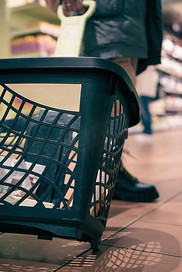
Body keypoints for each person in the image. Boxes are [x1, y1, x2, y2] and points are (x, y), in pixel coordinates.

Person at [47, 0, 161, 202]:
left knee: (110, 109)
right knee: (107, 106)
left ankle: (107, 174)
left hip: (124, 22)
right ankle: (93, 183)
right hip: (107, 23)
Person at [135, 65, 160, 142]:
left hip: (144, 90)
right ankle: (146, 131)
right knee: (144, 110)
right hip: (145, 89)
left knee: (144, 111)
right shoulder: (151, 68)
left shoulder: (147, 66)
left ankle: (147, 132)